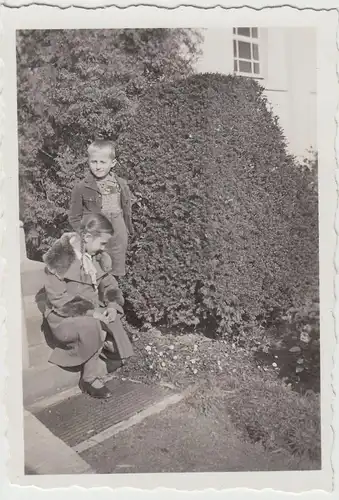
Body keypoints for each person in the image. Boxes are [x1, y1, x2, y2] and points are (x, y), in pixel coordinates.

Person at [43, 213, 134, 399]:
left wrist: (111, 305)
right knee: (93, 325)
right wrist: (93, 313)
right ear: (87, 237)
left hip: (91, 312)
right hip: (63, 318)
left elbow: (109, 285)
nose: (104, 248)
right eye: (102, 243)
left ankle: (101, 347)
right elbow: (58, 300)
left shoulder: (96, 258)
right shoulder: (59, 260)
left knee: (113, 320)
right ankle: (89, 379)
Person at [68, 139, 135, 278]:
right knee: (95, 273)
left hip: (118, 233)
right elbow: (74, 217)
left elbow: (126, 209)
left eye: (102, 162)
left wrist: (126, 230)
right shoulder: (81, 187)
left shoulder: (121, 184)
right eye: (94, 162)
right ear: (88, 161)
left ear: (113, 163)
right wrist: (85, 235)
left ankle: (111, 297)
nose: (98, 167)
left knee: (115, 273)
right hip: (95, 235)